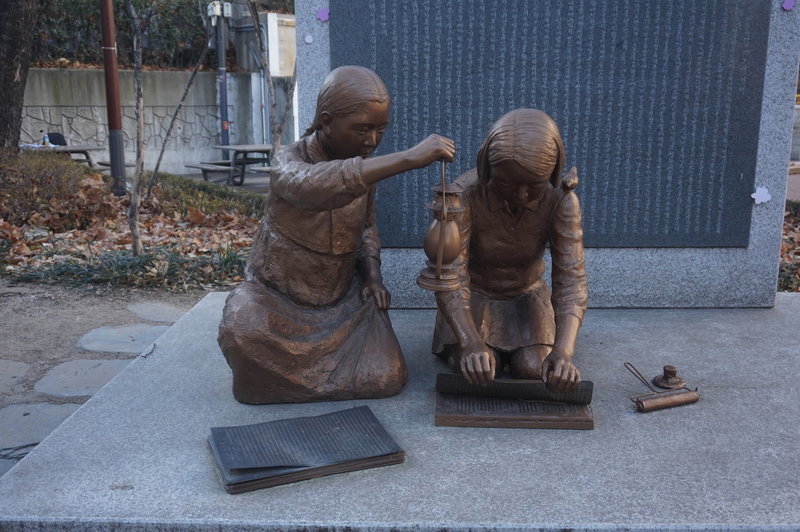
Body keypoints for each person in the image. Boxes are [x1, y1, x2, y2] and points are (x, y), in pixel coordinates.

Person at [218, 65, 455, 404]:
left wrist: (373, 277)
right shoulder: (288, 161)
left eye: (380, 129)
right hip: (277, 299)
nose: (371, 140)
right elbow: (315, 187)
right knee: (241, 330)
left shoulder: (363, 165)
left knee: (386, 374)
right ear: (326, 120)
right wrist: (407, 158)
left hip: (343, 302)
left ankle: (292, 383)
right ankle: (272, 383)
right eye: (362, 129)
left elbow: (367, 229)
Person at [431, 109, 588, 391]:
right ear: (487, 169)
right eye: (506, 183)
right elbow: (450, 275)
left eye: (535, 185)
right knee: (477, 368)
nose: (521, 195)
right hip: (475, 297)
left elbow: (571, 280)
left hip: (527, 296)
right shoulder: (464, 196)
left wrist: (564, 351)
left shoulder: (561, 201)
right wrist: (470, 342)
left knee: (534, 368)